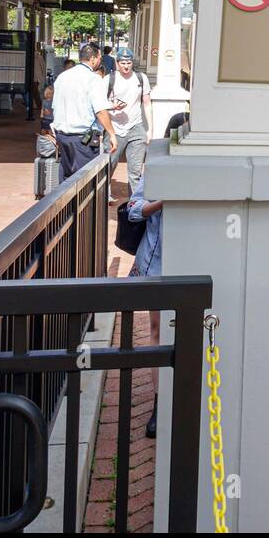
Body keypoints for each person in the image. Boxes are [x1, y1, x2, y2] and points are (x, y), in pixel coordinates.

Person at [125, 172, 165, 438]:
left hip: (195, 260)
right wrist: (163, 202)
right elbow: (133, 210)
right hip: (158, 260)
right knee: (157, 329)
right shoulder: (157, 168)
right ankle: (159, 403)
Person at [50, 43, 116, 180]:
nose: (99, 61)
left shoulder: (62, 77)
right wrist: (112, 134)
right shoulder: (93, 79)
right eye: (99, 58)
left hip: (62, 137)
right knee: (85, 182)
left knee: (66, 180)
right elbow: (100, 110)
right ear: (92, 59)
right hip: (83, 139)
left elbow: (55, 106)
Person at [106, 48, 153, 205]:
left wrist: (150, 129)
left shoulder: (141, 78)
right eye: (123, 63)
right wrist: (112, 106)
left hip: (136, 127)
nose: (126, 66)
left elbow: (147, 103)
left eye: (129, 62)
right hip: (114, 128)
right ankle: (105, 193)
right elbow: (99, 104)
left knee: (135, 170)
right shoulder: (109, 79)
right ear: (117, 63)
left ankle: (136, 201)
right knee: (109, 165)